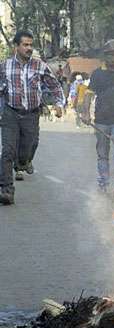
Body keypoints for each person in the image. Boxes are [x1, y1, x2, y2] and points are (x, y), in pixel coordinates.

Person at [0, 30, 64, 206]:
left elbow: (55, 85)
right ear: (16, 46)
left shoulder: (40, 66)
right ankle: (6, 190)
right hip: (10, 114)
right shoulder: (4, 66)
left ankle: (22, 162)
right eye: (25, 45)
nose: (29, 48)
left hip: (31, 115)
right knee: (7, 151)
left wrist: (59, 103)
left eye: (30, 45)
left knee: (29, 147)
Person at [80, 39, 114, 198]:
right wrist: (85, 113)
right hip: (101, 121)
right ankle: (103, 184)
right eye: (109, 55)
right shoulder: (98, 74)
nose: (112, 58)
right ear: (105, 56)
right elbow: (89, 95)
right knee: (103, 154)